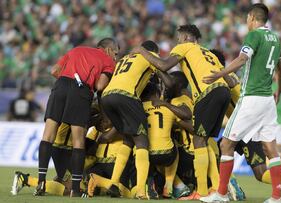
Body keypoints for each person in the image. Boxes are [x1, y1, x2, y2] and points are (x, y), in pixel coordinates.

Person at [132, 24, 231, 199]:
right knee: (204, 139)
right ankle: (215, 188)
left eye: (178, 38)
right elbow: (230, 81)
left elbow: (163, 65)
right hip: (224, 92)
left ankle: (201, 192)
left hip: (207, 93)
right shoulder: (207, 53)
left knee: (199, 140)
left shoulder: (185, 47)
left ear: (185, 38)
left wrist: (142, 51)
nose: (177, 41)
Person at [200, 3, 281, 203]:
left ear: (252, 18)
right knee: (270, 148)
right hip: (268, 101)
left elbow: (241, 59)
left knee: (226, 143)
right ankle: (276, 197)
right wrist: (278, 92)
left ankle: (220, 195)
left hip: (251, 98)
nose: (247, 23)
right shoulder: (276, 39)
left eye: (247, 19)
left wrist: (219, 75)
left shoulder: (254, 36)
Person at [35, 38, 117, 197]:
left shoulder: (76, 49)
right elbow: (100, 86)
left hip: (60, 85)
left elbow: (54, 71)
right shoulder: (108, 61)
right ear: (107, 49)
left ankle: (40, 182)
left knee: (47, 136)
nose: (115, 57)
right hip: (81, 90)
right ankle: (75, 189)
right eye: (115, 53)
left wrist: (67, 83)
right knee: (78, 140)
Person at [100, 40, 159, 199]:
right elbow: (164, 68)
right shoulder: (149, 55)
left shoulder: (126, 57)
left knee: (127, 139)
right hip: (126, 96)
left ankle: (113, 183)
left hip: (107, 97)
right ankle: (141, 190)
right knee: (142, 142)